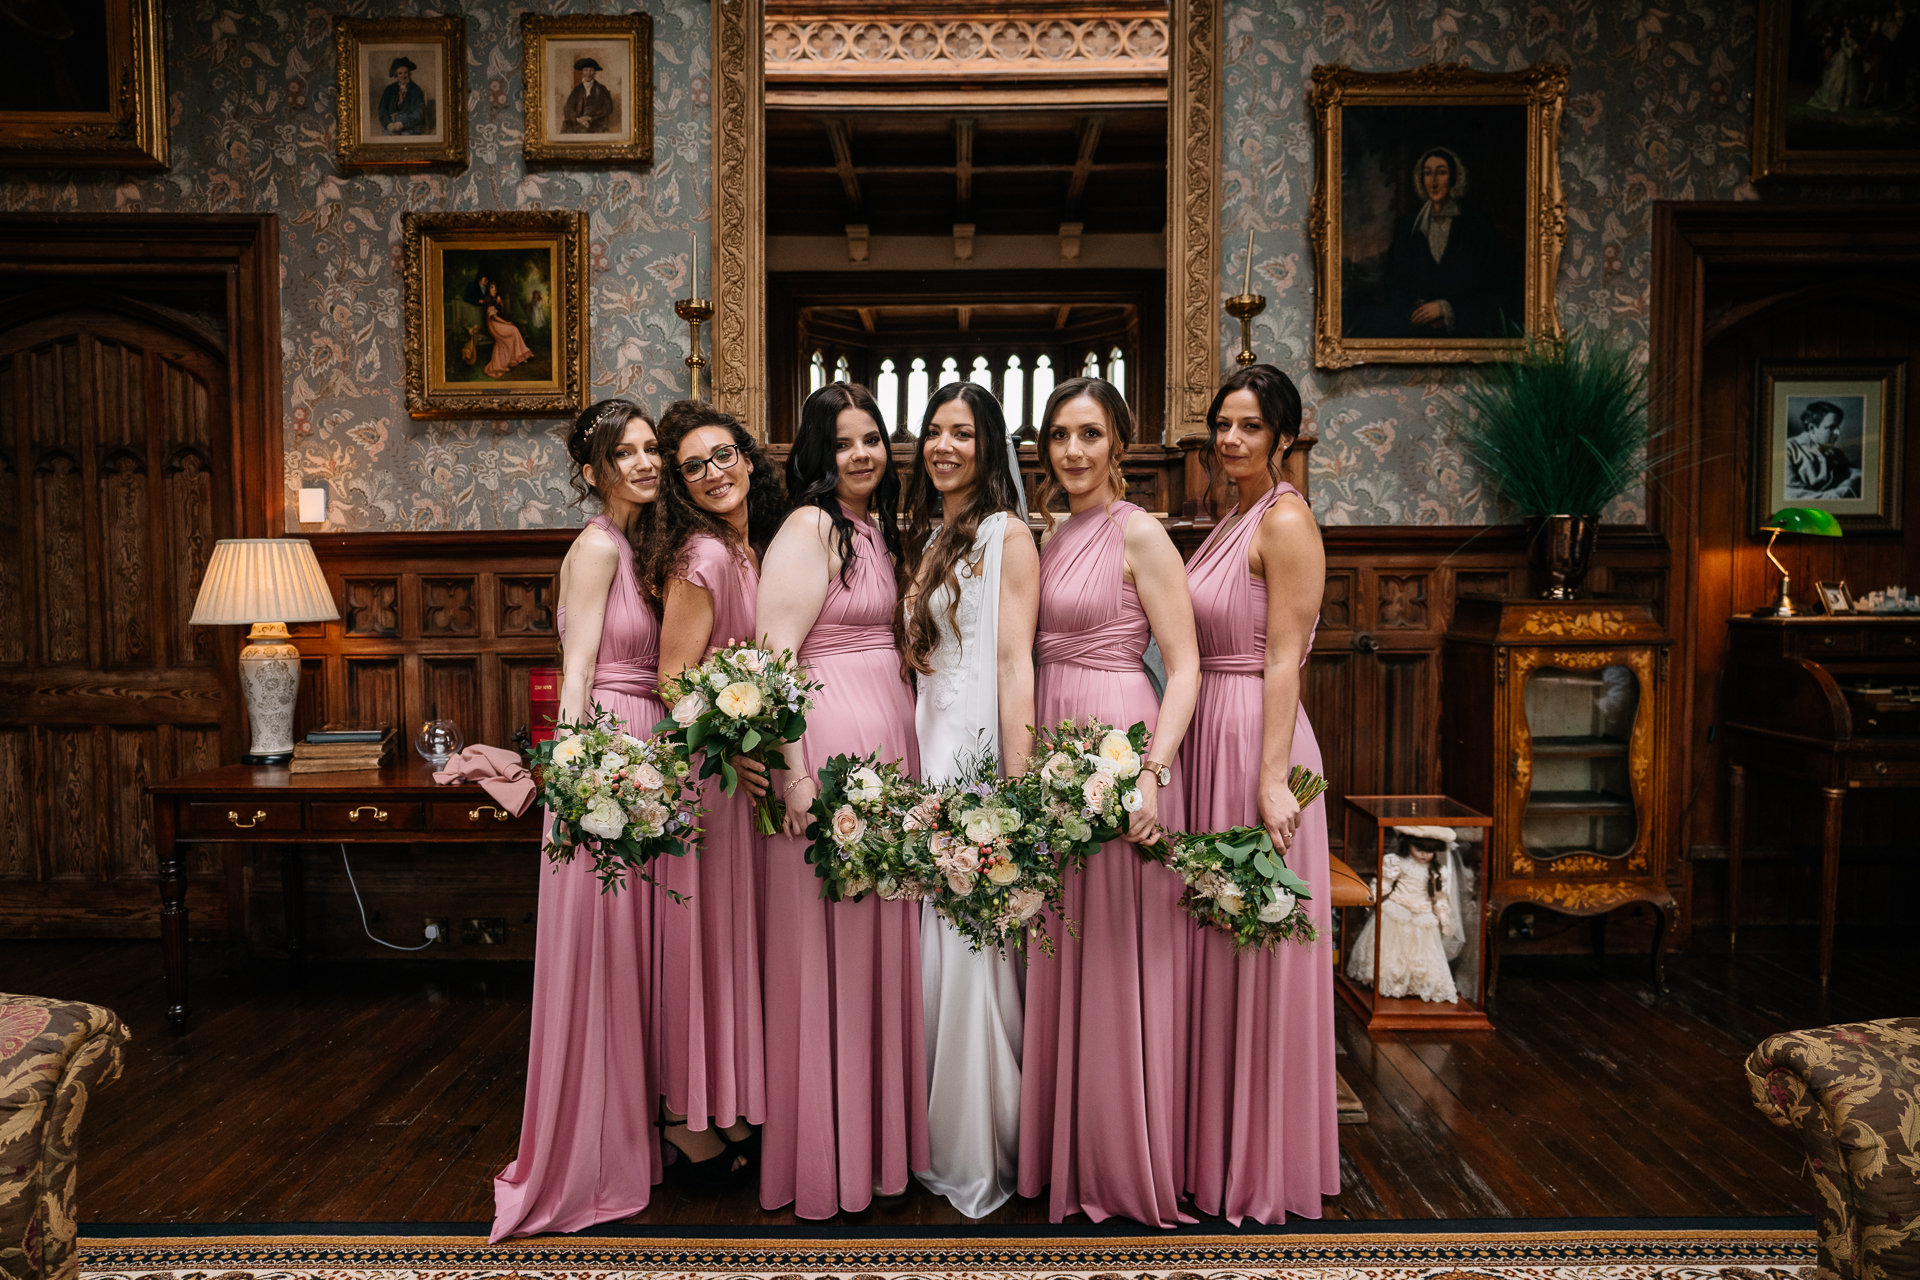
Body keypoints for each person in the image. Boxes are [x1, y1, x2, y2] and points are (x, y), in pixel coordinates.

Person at [1016, 377, 1201, 1227]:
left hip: (1117, 743)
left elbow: (1186, 663)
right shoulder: (1051, 534)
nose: (1073, 452)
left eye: (1089, 434)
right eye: (1059, 436)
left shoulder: (1141, 532)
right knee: (1064, 942)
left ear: (1119, 443)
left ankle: (1123, 1158)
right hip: (1054, 740)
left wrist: (1152, 774)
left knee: (1117, 951)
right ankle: (1069, 1149)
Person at [491, 399, 666, 1240]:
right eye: (624, 453)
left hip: (651, 751)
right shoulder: (598, 547)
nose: (644, 462)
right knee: (602, 953)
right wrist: (580, 778)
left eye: (650, 448)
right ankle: (589, 1152)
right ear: (592, 471)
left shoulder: (642, 545)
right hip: (610, 753)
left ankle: (637, 1131)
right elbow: (580, 666)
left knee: (636, 956)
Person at [755, 382, 930, 1219]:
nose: (863, 455)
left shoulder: (870, 530)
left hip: (886, 750)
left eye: (874, 440)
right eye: (847, 443)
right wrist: (792, 772)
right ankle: (828, 1155)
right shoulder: (809, 526)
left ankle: (876, 1145)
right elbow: (774, 659)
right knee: (830, 948)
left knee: (874, 943)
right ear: (819, 455)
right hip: (827, 752)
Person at [1179, 364, 1338, 1225]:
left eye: (1249, 426)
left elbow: (1285, 656)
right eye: (1223, 425)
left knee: (1258, 945)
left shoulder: (1284, 520)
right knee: (1216, 944)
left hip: (1254, 740)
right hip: (1211, 731)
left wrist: (1272, 780)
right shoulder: (1232, 514)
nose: (1232, 439)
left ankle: (1260, 1165)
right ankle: (1213, 1148)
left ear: (1282, 435)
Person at [639, 399, 787, 1190]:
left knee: (742, 942)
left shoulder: (750, 546)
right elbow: (671, 679)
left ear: (748, 458)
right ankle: (693, 1120)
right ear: (680, 485)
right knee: (714, 946)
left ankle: (734, 1107)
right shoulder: (700, 557)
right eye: (693, 466)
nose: (713, 473)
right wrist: (737, 747)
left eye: (723, 455)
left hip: (743, 766)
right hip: (710, 774)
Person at [902, 381, 1039, 1218]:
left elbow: (1017, 663)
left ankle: (978, 1140)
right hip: (930, 747)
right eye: (934, 431)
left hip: (976, 756)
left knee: (971, 944)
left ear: (989, 446)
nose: (944, 446)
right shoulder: (936, 536)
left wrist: (1014, 793)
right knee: (938, 943)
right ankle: (933, 1127)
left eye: (962, 433)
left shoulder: (1005, 534)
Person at [1380, 147, 1504, 339]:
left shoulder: (1476, 224)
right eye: (1428, 174)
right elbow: (1394, 279)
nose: (1434, 182)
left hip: (1465, 331)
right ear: (1421, 180)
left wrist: (1446, 310)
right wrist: (1418, 309)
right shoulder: (1408, 225)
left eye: (1442, 172)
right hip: (1416, 332)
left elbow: (1488, 283)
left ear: (1453, 178)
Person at [1785, 399, 1861, 499]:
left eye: (1838, 427)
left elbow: (1857, 473)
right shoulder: (1788, 449)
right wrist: (1840, 494)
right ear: (1812, 428)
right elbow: (1793, 495)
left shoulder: (1834, 451)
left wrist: (1846, 486)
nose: (1837, 433)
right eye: (1831, 427)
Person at [562, 57, 615, 133]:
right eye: (586, 70)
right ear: (582, 73)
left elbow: (608, 107)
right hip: (578, 122)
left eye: (591, 71)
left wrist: (591, 118)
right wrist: (578, 119)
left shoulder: (602, 89)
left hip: (596, 123)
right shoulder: (577, 90)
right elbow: (567, 108)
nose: (588, 74)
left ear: (594, 73)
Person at [378, 56, 427, 136]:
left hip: (410, 127)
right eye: (400, 73)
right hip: (392, 126)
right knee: (385, 135)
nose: (403, 76)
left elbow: (419, 113)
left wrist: (403, 124)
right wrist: (388, 124)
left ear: (410, 74)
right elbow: (382, 108)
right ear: (396, 76)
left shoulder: (416, 90)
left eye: (405, 72)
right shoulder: (389, 89)